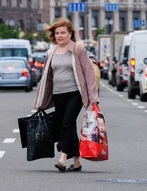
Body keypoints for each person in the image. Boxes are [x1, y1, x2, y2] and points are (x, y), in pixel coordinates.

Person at [34, 18, 99, 173]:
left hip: (75, 93)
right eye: (57, 33)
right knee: (65, 125)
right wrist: (41, 100)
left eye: (63, 32)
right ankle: (76, 162)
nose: (60, 36)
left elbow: (89, 74)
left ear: (70, 34)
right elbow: (47, 78)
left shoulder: (78, 49)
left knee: (67, 123)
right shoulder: (51, 52)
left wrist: (93, 98)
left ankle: (63, 158)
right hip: (58, 94)